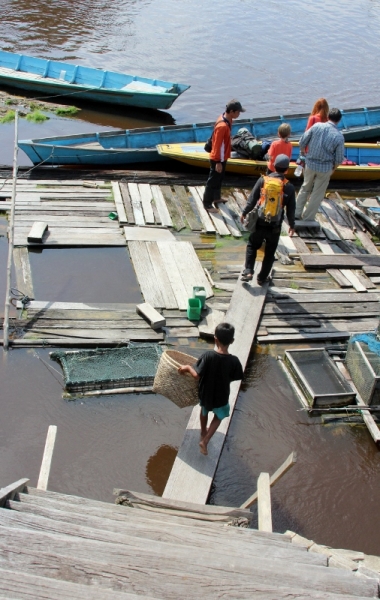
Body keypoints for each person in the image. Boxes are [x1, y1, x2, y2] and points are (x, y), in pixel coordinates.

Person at [178, 322, 243, 456]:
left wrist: (188, 367)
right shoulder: (234, 361)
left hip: (206, 393)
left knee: (204, 410)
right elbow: (235, 377)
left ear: (215, 339)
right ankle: (205, 440)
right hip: (222, 396)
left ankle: (203, 431)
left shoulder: (208, 356)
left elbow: (196, 375)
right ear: (232, 341)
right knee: (219, 417)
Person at [240, 154, 296, 283]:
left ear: (273, 166)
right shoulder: (289, 187)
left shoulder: (263, 181)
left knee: (252, 246)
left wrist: (244, 213)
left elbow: (252, 200)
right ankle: (262, 278)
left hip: (259, 222)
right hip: (275, 227)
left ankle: (248, 272)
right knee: (270, 253)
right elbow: (291, 210)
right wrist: (292, 225)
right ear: (287, 170)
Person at [295, 108, 345, 221]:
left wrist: (303, 154)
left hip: (310, 164)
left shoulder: (316, 126)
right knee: (317, 194)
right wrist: (333, 169)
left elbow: (302, 142)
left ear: (328, 117)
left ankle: (296, 214)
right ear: (339, 120)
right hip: (325, 168)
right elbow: (339, 159)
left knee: (304, 188)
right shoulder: (339, 136)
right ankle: (308, 218)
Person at [203, 99, 245, 213]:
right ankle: (207, 204)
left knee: (219, 178)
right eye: (238, 112)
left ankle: (216, 198)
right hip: (218, 158)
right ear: (231, 111)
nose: (239, 114)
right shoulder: (222, 126)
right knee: (212, 181)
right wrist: (218, 162)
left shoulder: (228, 119)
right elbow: (217, 145)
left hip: (223, 156)